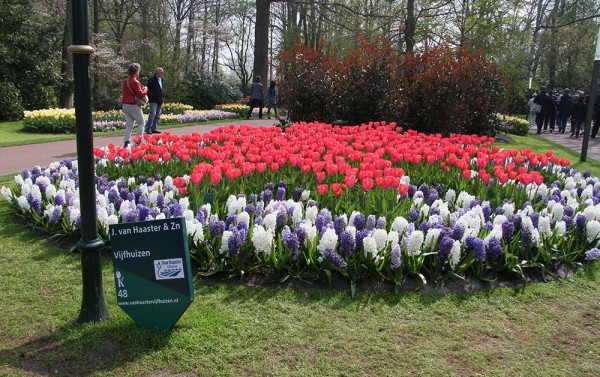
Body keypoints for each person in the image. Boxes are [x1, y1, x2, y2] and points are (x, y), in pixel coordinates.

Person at [122, 63, 149, 148]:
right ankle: (138, 141)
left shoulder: (125, 81)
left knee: (129, 124)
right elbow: (140, 94)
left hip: (125, 105)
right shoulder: (134, 81)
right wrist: (145, 89)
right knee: (141, 123)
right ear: (136, 71)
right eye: (139, 71)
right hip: (133, 105)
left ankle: (126, 141)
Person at [145, 67, 164, 134]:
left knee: (158, 115)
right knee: (152, 114)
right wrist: (151, 96)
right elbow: (147, 89)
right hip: (153, 100)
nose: (162, 73)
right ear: (156, 72)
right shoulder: (152, 80)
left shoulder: (162, 79)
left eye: (162, 72)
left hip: (160, 99)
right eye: (160, 72)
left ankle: (154, 128)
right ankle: (148, 128)